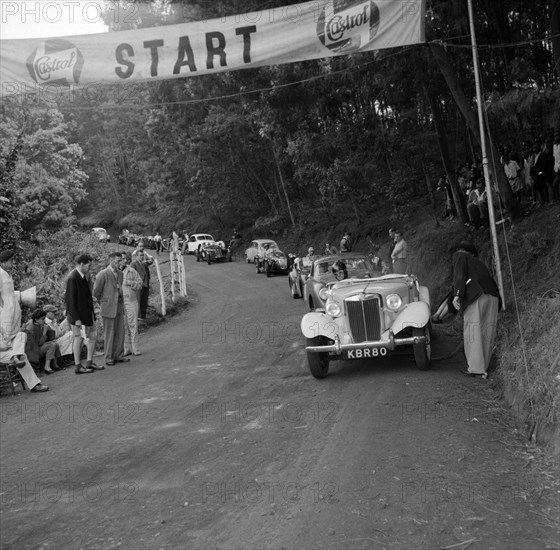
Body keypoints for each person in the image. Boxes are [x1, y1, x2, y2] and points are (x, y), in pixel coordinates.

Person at [0, 250, 49, 392]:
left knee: (22, 336)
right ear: (4, 261)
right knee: (21, 355)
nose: (12, 263)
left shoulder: (7, 274)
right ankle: (34, 384)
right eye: (10, 261)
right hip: (3, 345)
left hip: (10, 337)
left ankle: (17, 357)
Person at [452, 241, 501, 379]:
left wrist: (457, 295)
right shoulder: (479, 264)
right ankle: (483, 367)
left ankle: (475, 368)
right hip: (493, 296)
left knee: (473, 331)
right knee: (487, 332)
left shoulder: (460, 257)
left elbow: (459, 276)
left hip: (477, 295)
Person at [93, 252, 129, 367]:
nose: (120, 263)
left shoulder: (120, 273)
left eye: (120, 260)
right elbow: (96, 293)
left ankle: (119, 354)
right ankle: (108, 357)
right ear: (111, 261)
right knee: (109, 333)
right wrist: (104, 302)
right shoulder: (102, 274)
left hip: (119, 306)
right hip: (108, 307)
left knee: (120, 331)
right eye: (118, 261)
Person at [65, 254, 100, 374]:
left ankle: (89, 362)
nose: (90, 267)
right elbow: (70, 301)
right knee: (78, 339)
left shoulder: (85, 275)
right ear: (81, 264)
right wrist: (76, 319)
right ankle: (78, 365)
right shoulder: (72, 278)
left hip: (87, 313)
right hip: (78, 315)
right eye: (88, 265)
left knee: (93, 336)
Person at [24, 308, 63, 374]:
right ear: (36, 319)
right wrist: (44, 331)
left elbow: (52, 337)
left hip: (36, 348)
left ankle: (54, 364)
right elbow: (38, 343)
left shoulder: (37, 324)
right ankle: (46, 367)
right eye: (43, 319)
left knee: (55, 343)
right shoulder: (31, 328)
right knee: (51, 345)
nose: (44, 320)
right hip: (33, 352)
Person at [121, 253, 143, 356]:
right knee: (123, 326)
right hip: (120, 303)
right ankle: (126, 348)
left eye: (125, 259)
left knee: (133, 325)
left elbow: (140, 284)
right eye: (122, 259)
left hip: (131, 301)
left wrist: (130, 282)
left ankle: (135, 348)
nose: (124, 261)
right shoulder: (115, 273)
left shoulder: (132, 271)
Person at [133, 242, 153, 319]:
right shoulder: (134, 263)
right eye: (140, 256)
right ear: (136, 256)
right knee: (139, 300)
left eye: (142, 256)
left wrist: (149, 261)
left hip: (146, 284)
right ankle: (138, 317)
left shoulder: (144, 263)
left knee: (145, 300)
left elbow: (151, 260)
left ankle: (143, 316)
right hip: (139, 284)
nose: (142, 257)